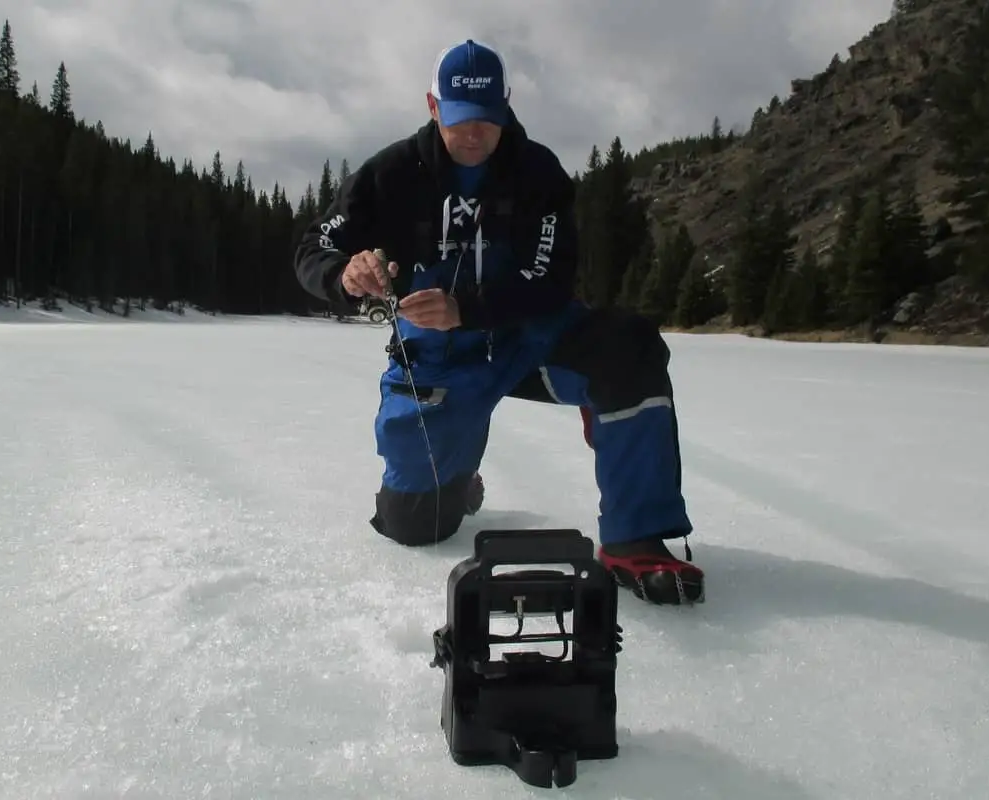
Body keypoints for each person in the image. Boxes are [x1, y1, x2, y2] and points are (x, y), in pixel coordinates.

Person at [294, 39, 703, 605]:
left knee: (628, 348)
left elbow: (551, 279)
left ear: (506, 106)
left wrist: (469, 308)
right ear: (433, 107)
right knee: (413, 526)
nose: (472, 135)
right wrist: (345, 273)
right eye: (460, 120)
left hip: (529, 337)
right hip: (439, 358)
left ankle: (635, 537)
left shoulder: (538, 173)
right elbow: (314, 246)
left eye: (487, 120)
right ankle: (455, 480)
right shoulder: (389, 174)